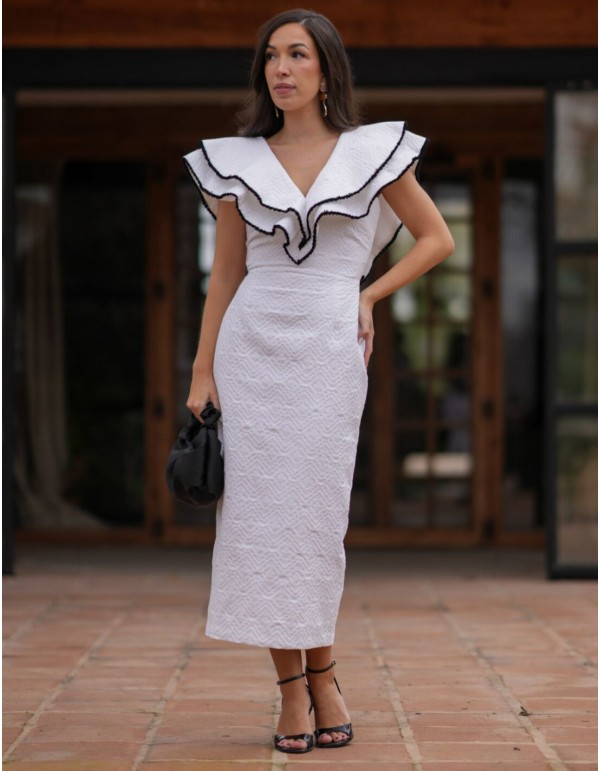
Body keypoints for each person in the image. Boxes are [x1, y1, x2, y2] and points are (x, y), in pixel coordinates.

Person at [184, 8, 454, 754]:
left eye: (298, 55)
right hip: (252, 347)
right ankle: (293, 691)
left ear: (327, 68)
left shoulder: (372, 153)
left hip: (329, 349)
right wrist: (203, 367)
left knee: (311, 520)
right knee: (257, 521)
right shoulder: (239, 159)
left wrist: (367, 294)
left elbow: (437, 238)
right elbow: (227, 271)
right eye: (272, 57)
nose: (282, 69)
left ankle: (324, 672)